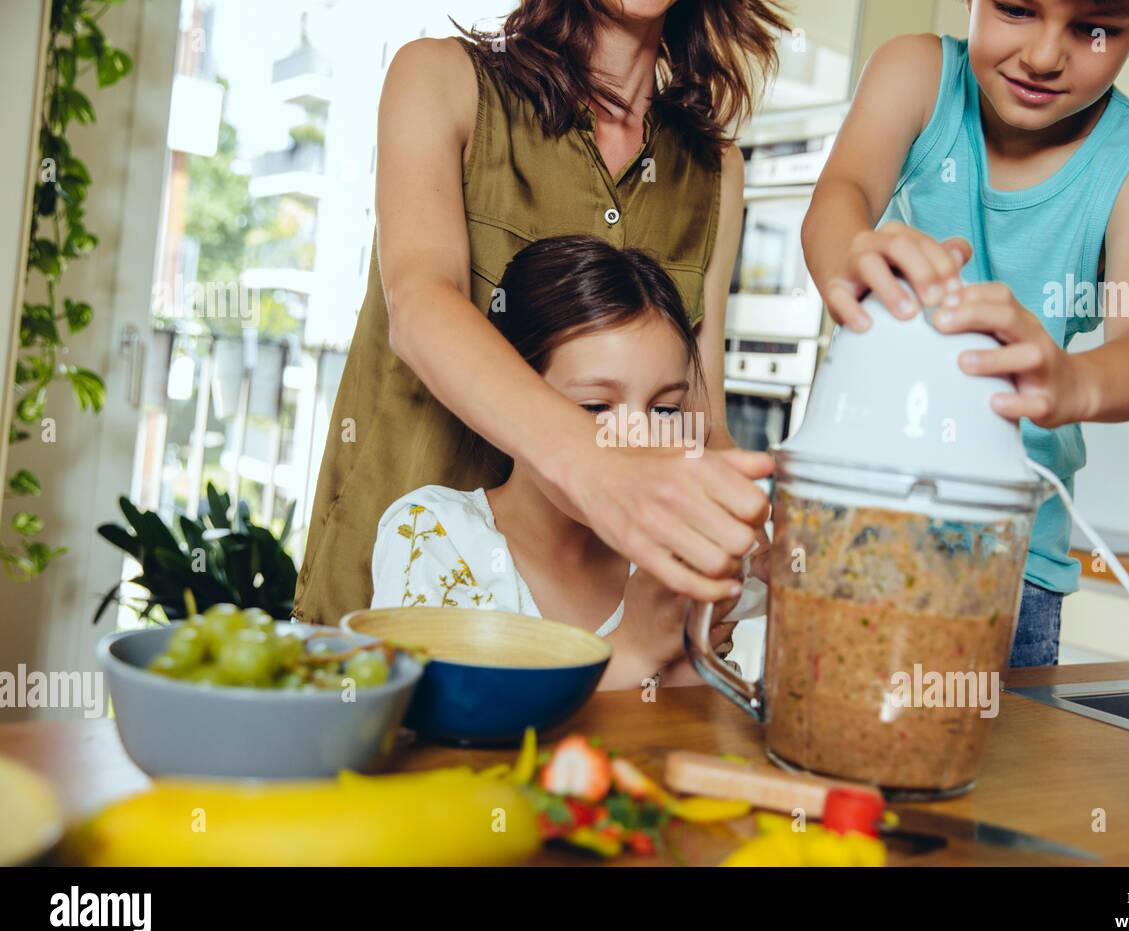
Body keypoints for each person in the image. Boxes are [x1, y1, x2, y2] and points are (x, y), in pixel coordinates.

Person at [295, 0, 789, 626]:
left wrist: (744, 541)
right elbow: (420, 306)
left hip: (599, 642)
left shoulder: (715, 168)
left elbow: (699, 416)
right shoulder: (440, 80)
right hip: (394, 613)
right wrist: (594, 464)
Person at [802, 0, 1129, 665]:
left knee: (991, 769)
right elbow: (841, 191)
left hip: (1010, 566)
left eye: (1092, 28)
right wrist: (852, 250)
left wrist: (1075, 381)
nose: (1046, 56)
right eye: (1016, 8)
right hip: (855, 522)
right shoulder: (916, 73)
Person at [370, 236, 765, 690]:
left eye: (665, 411)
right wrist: (633, 648)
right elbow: (444, 728)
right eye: (596, 407)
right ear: (510, 399)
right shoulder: (433, 536)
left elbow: (685, 733)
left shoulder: (672, 561)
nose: (640, 439)